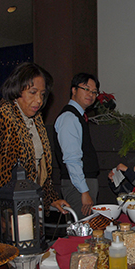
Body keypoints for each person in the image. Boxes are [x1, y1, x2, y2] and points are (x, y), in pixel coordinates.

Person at [0, 62, 69, 234]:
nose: (38, 100)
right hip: (3, 214)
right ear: (17, 89)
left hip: (28, 211)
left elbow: (38, 171)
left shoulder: (35, 120)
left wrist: (51, 199)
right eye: (32, 92)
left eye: (42, 94)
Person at [54, 73, 100, 217]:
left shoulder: (78, 116)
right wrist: (84, 191)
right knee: (81, 231)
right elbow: (71, 158)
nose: (90, 94)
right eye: (86, 89)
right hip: (78, 186)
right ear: (74, 90)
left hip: (83, 183)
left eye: (94, 92)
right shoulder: (69, 117)